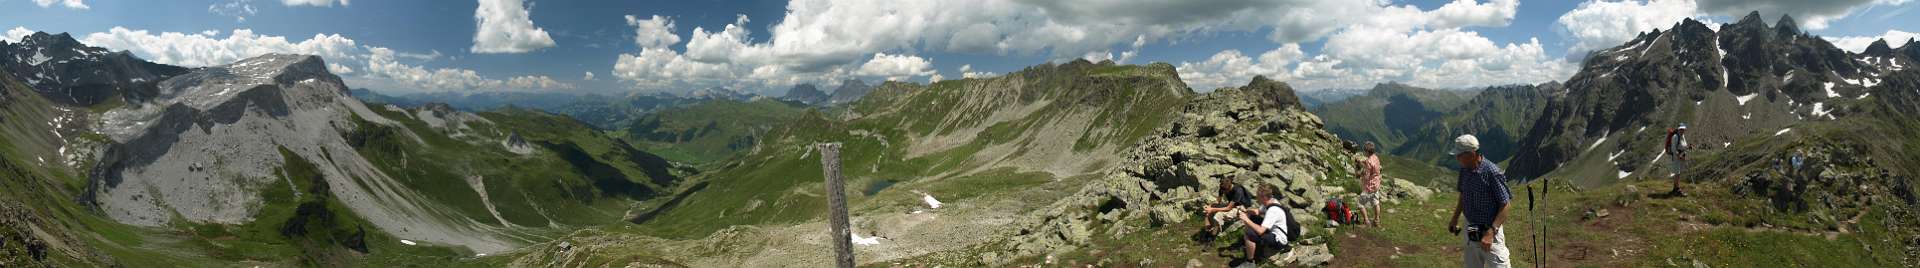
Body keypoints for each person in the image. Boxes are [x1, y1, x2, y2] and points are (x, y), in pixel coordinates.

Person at [1446, 134, 1511, 268]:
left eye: (1459, 155)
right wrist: (1455, 218)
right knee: (1473, 262)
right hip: (1472, 226)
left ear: (1471, 154)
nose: (1457, 158)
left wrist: (1491, 232)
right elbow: (1463, 195)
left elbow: (1505, 204)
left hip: (1490, 230)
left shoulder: (1492, 172)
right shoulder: (1464, 170)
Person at [1237, 184, 1292, 265]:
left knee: (1249, 234)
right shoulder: (1271, 201)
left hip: (1279, 240)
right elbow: (1257, 212)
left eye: (1258, 196)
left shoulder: (1272, 211)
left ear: (1264, 197)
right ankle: (1252, 244)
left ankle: (1250, 262)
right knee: (1251, 217)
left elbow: (1260, 231)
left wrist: (1246, 219)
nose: (1256, 198)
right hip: (1273, 231)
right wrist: (1246, 211)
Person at [1202, 175, 1257, 245]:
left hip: (1241, 206)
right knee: (1207, 212)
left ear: (1229, 187)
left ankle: (1211, 239)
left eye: (1225, 191)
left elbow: (1228, 208)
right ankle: (1207, 232)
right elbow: (1218, 201)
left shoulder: (1238, 191)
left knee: (1218, 216)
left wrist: (1213, 209)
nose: (1224, 192)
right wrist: (1210, 206)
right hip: (1231, 204)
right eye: (1223, 190)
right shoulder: (1222, 187)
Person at [1356, 142, 1384, 227]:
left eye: (1364, 151)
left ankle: (1366, 221)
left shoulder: (1368, 161)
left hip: (1369, 187)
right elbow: (1371, 164)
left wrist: (1359, 174)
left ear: (1367, 152)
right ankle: (1377, 220)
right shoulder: (1375, 157)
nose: (1364, 152)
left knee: (1360, 204)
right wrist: (1362, 161)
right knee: (1376, 203)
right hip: (1376, 184)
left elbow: (1367, 176)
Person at [1665, 123, 1691, 196]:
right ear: (1678, 129)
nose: (1682, 130)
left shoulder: (1682, 136)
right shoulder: (1675, 137)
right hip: (1677, 157)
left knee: (1678, 173)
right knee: (1677, 173)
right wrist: (1679, 156)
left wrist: (1688, 147)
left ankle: (1675, 189)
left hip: (1681, 156)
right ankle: (1677, 190)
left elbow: (1683, 146)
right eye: (1681, 129)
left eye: (1683, 129)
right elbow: (1674, 149)